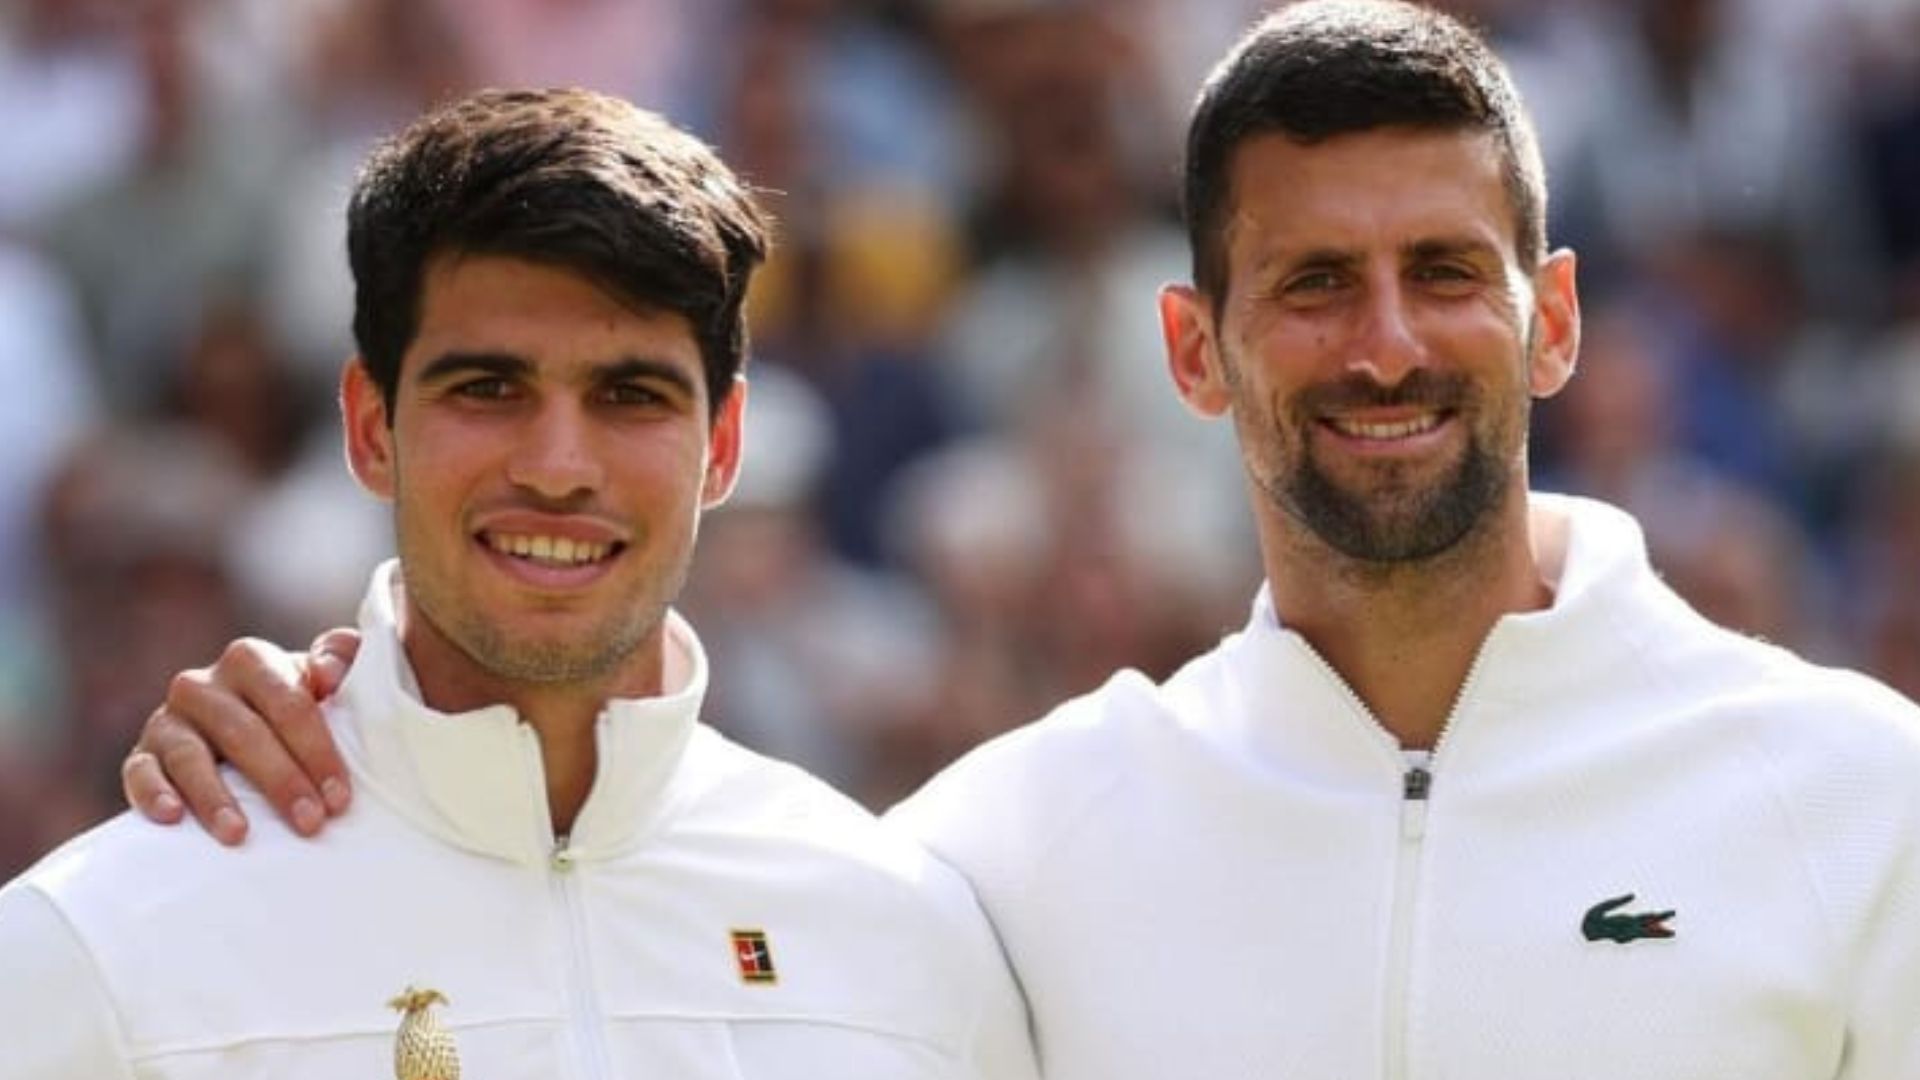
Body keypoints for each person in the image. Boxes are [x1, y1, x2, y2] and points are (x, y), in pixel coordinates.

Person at [124, 3, 1920, 1077]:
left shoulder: (1860, 799)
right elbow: (592, 922)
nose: (1383, 343)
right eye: (1311, 282)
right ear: (1193, 351)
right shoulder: (997, 859)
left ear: (1556, 322)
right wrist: (336, 742)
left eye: (1445, 272)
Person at [0, 87, 1037, 1080]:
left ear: (722, 447)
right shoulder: (106, 942)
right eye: (489, 389)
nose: (556, 466)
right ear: (371, 427)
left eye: (629, 394)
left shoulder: (903, 933)